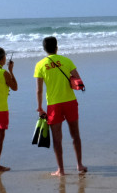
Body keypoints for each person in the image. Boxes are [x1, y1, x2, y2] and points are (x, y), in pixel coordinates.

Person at [34, 36, 86, 176]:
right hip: (70, 101)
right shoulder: (66, 60)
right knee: (75, 135)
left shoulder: (40, 65)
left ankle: (61, 170)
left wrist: (39, 107)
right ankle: (79, 165)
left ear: (44, 49)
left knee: (57, 139)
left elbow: (39, 89)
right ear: (57, 47)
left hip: (53, 104)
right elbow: (78, 80)